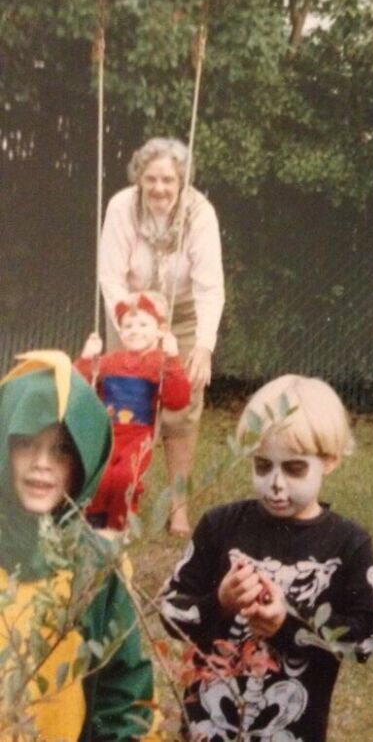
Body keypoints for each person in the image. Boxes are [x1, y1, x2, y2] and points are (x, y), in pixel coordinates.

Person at [159, 374, 373, 741]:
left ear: (328, 461)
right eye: (262, 466)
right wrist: (219, 603)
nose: (275, 483)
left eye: (294, 468)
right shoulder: (220, 526)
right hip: (209, 727)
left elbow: (370, 638)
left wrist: (290, 625)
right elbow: (169, 609)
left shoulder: (347, 543)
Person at [0, 350, 157, 740]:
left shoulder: (96, 565)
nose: (42, 463)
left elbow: (123, 694)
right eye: (27, 444)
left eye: (61, 449)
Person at [99, 136, 225, 536]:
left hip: (183, 315)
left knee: (181, 408)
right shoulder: (121, 207)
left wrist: (203, 345)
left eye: (168, 180)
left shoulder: (201, 214)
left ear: (182, 181)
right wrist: (133, 329)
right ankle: (115, 497)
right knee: (124, 403)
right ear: (139, 178)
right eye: (151, 179)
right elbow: (111, 276)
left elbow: (210, 286)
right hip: (130, 313)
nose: (159, 188)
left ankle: (178, 507)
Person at [75, 290, 191, 530]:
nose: (134, 330)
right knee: (102, 475)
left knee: (125, 476)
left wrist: (173, 358)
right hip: (107, 433)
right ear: (120, 331)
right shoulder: (109, 361)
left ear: (160, 330)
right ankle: (95, 519)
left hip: (138, 437)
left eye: (143, 324)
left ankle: (119, 523)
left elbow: (177, 400)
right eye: (128, 325)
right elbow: (79, 387)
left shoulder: (161, 362)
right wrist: (86, 359)